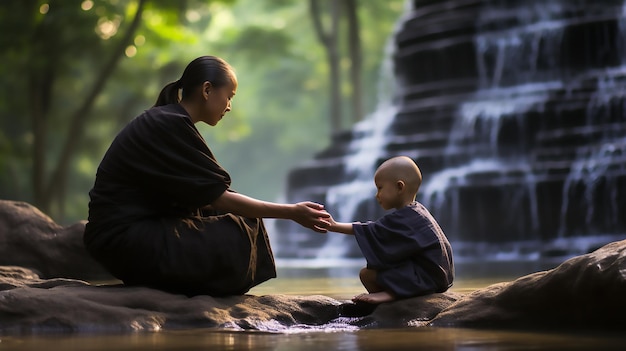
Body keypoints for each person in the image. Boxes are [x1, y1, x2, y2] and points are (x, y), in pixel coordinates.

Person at [84, 55, 330, 297]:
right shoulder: (169, 124)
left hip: (123, 237)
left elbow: (205, 195)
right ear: (207, 90)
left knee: (239, 218)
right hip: (122, 240)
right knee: (242, 226)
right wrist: (292, 212)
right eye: (229, 97)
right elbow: (218, 197)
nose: (229, 106)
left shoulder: (168, 119)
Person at [324, 156, 454, 304]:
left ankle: (392, 295)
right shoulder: (418, 211)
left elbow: (371, 230)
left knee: (367, 275)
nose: (376, 195)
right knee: (368, 274)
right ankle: (393, 294)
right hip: (438, 279)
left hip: (426, 280)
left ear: (400, 187)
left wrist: (334, 225)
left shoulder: (406, 217)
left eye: (380, 188)